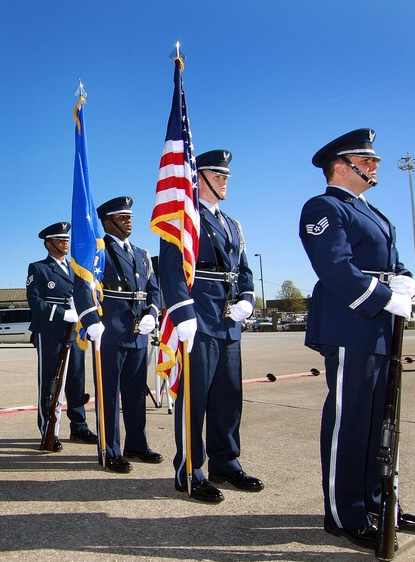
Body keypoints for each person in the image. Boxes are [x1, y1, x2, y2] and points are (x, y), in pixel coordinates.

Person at [299, 129, 415, 551]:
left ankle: (378, 503)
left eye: (373, 160)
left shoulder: (373, 212)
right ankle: (344, 512)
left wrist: (405, 280)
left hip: (380, 325)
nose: (375, 166)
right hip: (349, 322)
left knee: (379, 420)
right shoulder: (324, 207)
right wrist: (387, 298)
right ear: (341, 165)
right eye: (366, 160)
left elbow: (392, 260)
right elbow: (335, 267)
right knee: (349, 420)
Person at [160, 149, 261, 503]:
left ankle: (226, 462)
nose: (224, 179)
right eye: (216, 174)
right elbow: (170, 270)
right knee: (195, 399)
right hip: (198, 317)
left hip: (229, 320)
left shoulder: (233, 224)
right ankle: (190, 469)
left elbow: (243, 269)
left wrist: (247, 298)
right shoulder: (183, 219)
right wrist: (181, 312)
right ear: (197, 177)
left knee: (228, 398)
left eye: (226, 175)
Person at [76, 196, 162, 473]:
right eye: (123, 217)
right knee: (109, 396)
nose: (129, 222)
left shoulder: (142, 254)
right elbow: (83, 285)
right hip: (110, 331)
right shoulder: (98, 252)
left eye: (130, 217)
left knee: (136, 394)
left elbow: (154, 289)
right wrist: (91, 319)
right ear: (107, 222)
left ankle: (136, 445)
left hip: (139, 332)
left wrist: (152, 312)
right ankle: (109, 449)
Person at [26, 222, 97, 451]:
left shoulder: (76, 268)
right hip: (50, 333)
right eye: (60, 240)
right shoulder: (38, 268)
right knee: (50, 382)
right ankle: (48, 430)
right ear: (49, 244)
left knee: (76, 381)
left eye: (66, 239)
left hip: (74, 332)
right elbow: (35, 302)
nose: (65, 243)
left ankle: (79, 427)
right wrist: (61, 313)